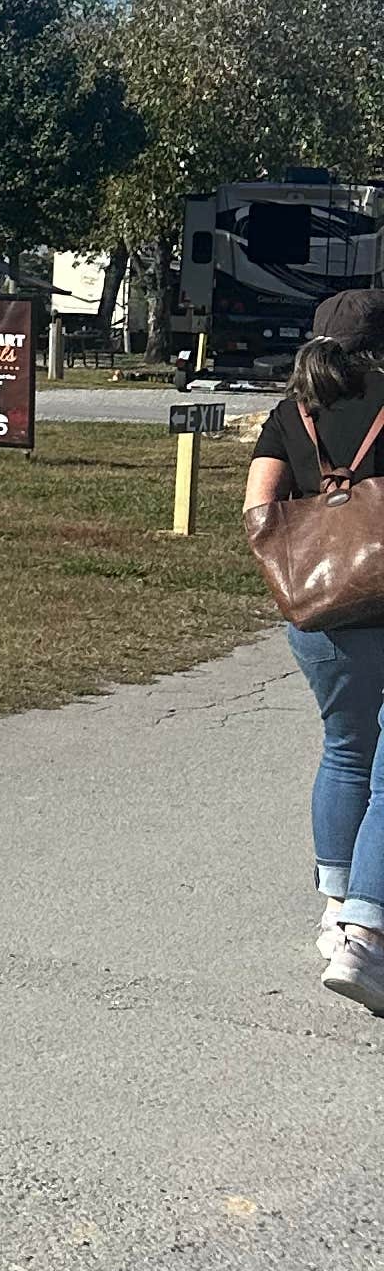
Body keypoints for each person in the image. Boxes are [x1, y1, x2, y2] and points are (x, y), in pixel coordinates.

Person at [244, 283, 384, 1008]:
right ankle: (367, 932)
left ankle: (335, 908)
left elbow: (258, 508)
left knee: (346, 750)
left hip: (323, 610)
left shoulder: (290, 411)